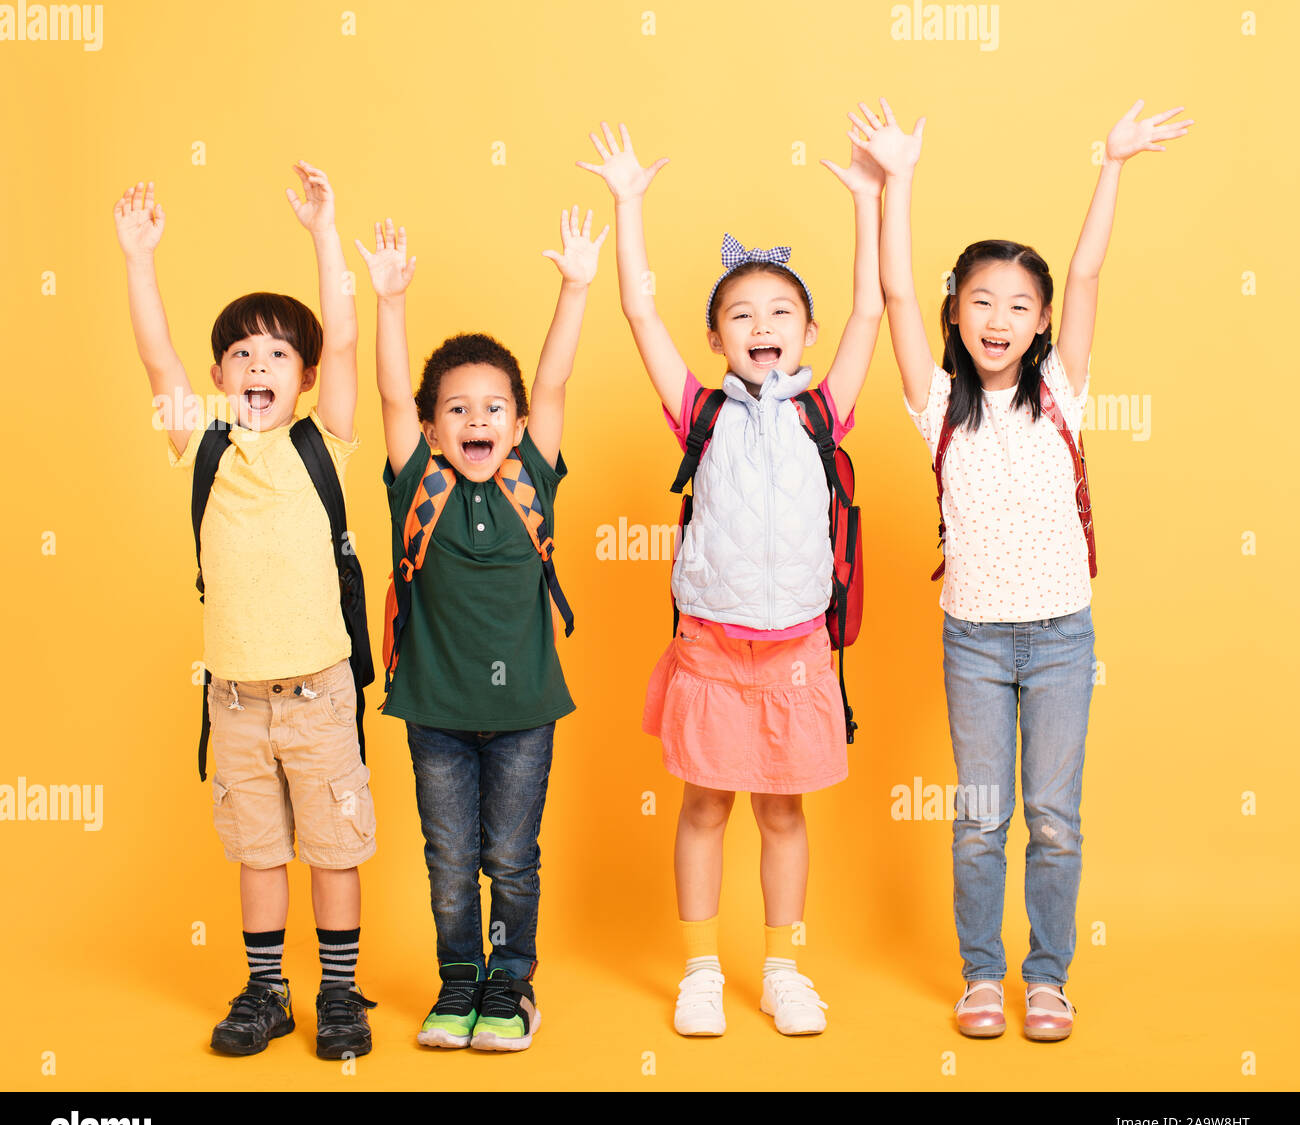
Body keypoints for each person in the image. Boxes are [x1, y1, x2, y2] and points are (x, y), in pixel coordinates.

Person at [867, 97, 1192, 1039]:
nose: (998, 319)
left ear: (1043, 320)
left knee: (1053, 815)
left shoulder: (1061, 386)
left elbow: (1088, 265)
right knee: (980, 821)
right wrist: (901, 178)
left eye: (1018, 305)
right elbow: (891, 292)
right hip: (973, 639)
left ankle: (1046, 976)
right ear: (956, 314)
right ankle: (980, 975)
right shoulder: (935, 404)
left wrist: (1115, 161)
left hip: (1059, 636)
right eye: (980, 302)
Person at [581, 116, 885, 1036]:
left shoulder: (824, 412)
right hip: (711, 648)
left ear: (808, 333)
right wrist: (629, 204)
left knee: (784, 812)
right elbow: (638, 311)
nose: (762, 325)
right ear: (716, 338)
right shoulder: (699, 414)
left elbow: (874, 310)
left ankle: (784, 967)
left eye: (781, 313)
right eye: (741, 315)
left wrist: (870, 203)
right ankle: (702, 967)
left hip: (796, 649)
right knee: (706, 803)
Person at [113, 164, 380, 1058]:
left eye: (278, 354)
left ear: (303, 379)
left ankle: (339, 995)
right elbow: (158, 357)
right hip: (234, 701)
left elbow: (343, 341)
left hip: (320, 696)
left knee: (333, 851)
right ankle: (268, 991)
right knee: (259, 851)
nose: (257, 364)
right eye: (241, 353)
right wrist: (139, 259)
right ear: (222, 373)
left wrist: (323, 230)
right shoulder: (205, 447)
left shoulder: (322, 442)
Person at [356, 207, 606, 1051]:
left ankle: (511, 983)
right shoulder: (415, 485)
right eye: (457, 409)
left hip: (526, 711)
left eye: (495, 407)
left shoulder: (529, 476)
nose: (476, 419)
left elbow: (558, 380)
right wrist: (388, 303)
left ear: (518, 422)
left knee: (512, 858)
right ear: (431, 429)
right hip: (434, 711)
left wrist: (574, 287)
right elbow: (392, 390)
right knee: (449, 858)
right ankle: (458, 977)